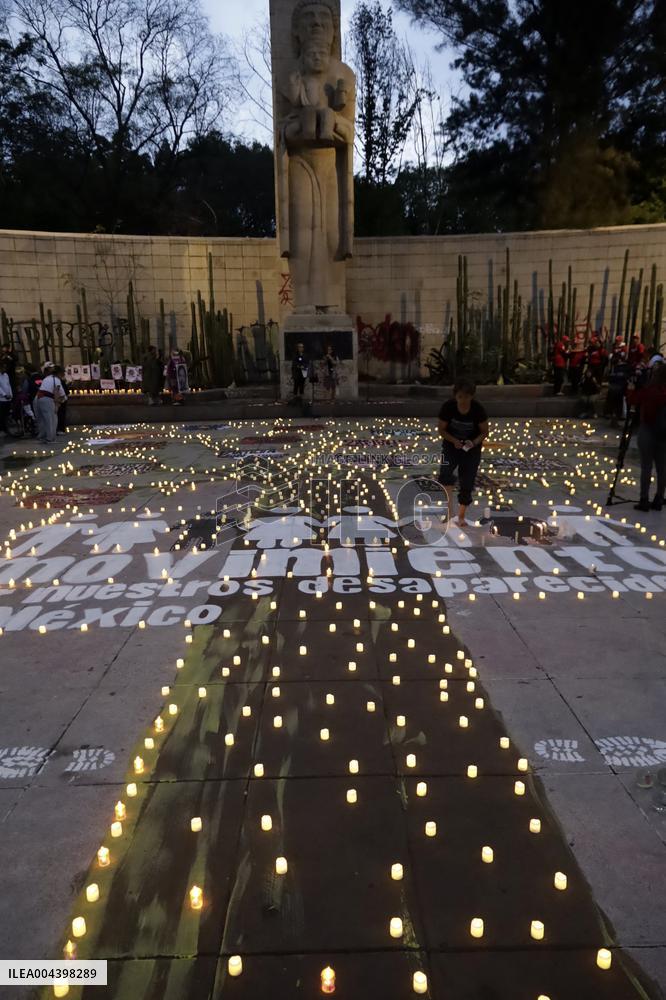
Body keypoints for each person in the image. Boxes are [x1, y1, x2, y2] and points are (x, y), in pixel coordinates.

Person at [437, 378, 489, 528]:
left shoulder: (478, 410)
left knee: (467, 480)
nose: (463, 400)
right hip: (451, 446)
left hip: (471, 449)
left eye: (466, 397)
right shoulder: (449, 407)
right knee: (445, 473)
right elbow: (441, 429)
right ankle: (449, 510)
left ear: (471, 396)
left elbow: (484, 432)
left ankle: (461, 515)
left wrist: (473, 442)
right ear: (455, 396)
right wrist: (454, 440)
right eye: (460, 397)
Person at [627, 362, 666, 511]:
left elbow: (633, 400)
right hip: (664, 434)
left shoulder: (650, 390)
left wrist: (631, 389)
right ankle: (659, 498)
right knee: (662, 468)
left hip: (648, 430)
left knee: (646, 466)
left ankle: (644, 499)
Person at [34, 365, 65, 444]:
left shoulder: (47, 378)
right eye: (63, 373)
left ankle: (42, 436)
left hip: (39, 398)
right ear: (59, 373)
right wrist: (57, 405)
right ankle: (50, 439)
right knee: (51, 419)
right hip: (47, 399)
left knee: (43, 419)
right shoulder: (56, 380)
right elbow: (57, 392)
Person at [0, 361, 12, 436]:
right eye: (4, 367)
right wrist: (4, 394)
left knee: (6, 415)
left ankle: (6, 429)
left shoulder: (6, 375)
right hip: (1, 399)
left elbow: (8, 385)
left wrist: (11, 394)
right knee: (1, 415)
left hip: (8, 398)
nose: (5, 369)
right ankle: (2, 429)